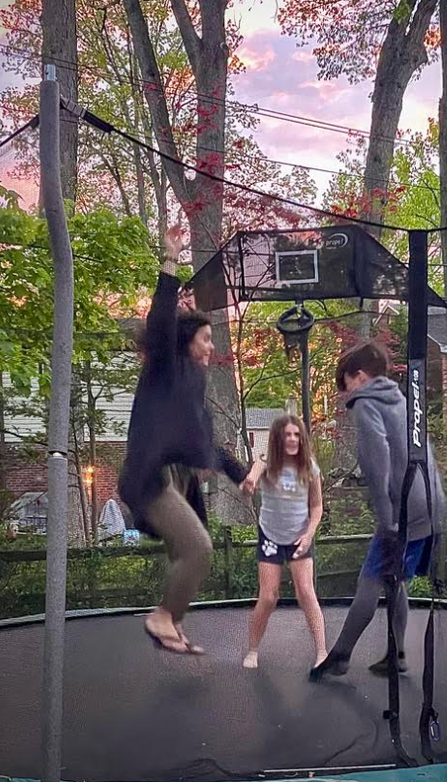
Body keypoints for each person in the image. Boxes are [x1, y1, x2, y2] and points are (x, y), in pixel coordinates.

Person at [119, 221, 248, 654]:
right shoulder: (164, 366)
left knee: (188, 553)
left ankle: (169, 622)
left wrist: (241, 475)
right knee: (198, 548)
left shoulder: (192, 387)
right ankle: (163, 618)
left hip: (177, 480)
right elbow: (159, 320)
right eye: (206, 338)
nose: (212, 346)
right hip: (151, 478)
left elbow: (210, 442)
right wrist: (171, 260)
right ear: (186, 340)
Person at [310, 340, 446, 681]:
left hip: (403, 511)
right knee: (395, 581)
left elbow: (377, 461)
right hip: (430, 502)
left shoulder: (367, 403)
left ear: (358, 376)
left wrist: (387, 521)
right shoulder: (400, 400)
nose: (345, 395)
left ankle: (340, 656)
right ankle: (397, 654)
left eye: (345, 384)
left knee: (369, 582)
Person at [241, 414, 327, 669]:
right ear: (279, 438)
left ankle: (322, 652)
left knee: (306, 592)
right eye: (288, 434)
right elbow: (253, 476)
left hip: (300, 535)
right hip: (271, 536)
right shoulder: (268, 463)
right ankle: (253, 650)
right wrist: (249, 483)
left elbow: (317, 505)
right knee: (268, 596)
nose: (292, 439)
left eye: (296, 435)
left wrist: (309, 533)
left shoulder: (309, 467)